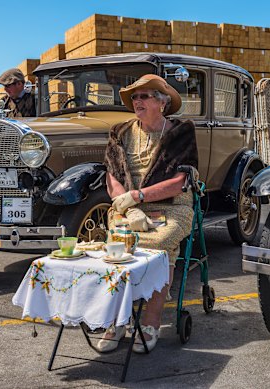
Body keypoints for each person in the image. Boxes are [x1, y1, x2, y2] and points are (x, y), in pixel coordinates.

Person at [99, 74, 198, 353]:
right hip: (128, 207)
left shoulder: (180, 131)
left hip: (171, 205)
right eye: (134, 97)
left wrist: (139, 195)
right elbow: (112, 177)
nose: (137, 101)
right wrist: (129, 206)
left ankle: (150, 321)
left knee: (159, 246)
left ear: (162, 103)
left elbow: (180, 182)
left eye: (145, 96)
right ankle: (117, 321)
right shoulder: (120, 131)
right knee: (116, 248)